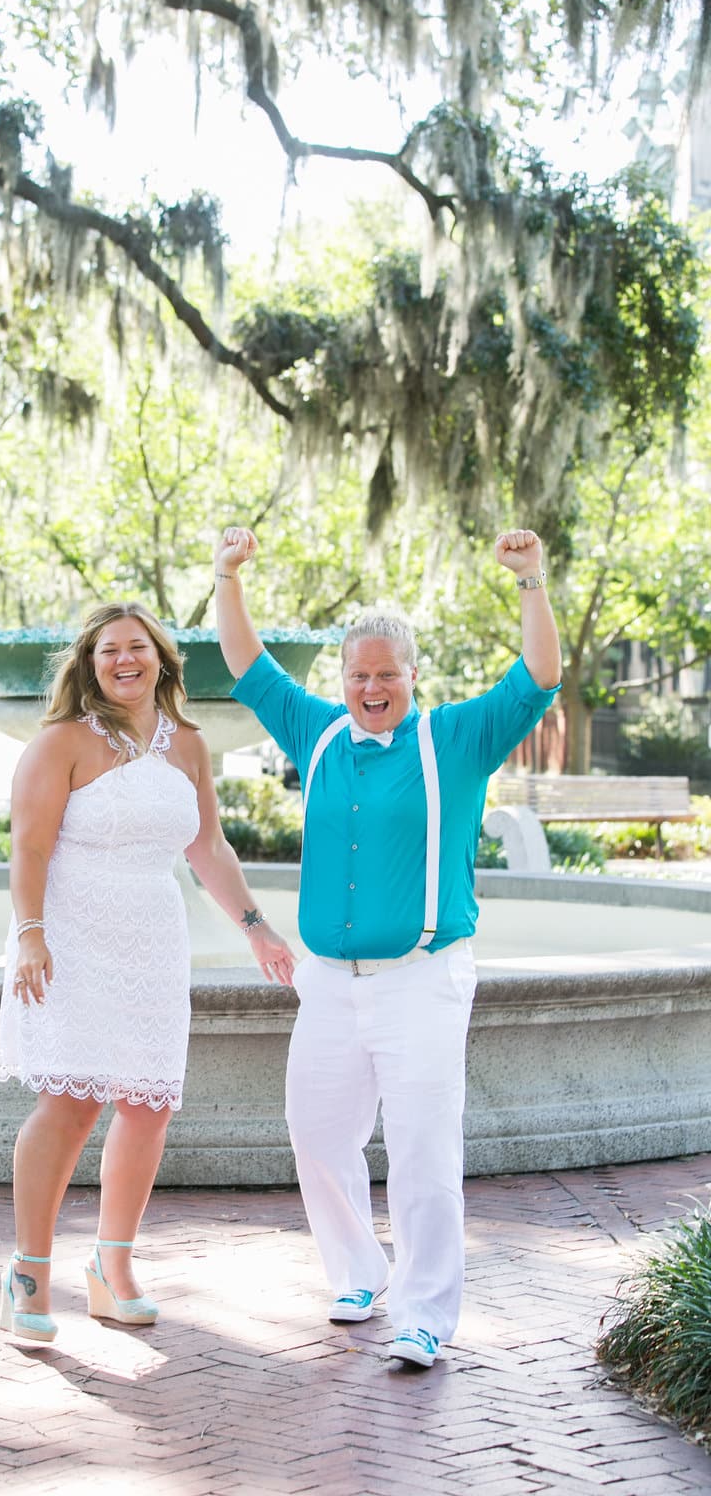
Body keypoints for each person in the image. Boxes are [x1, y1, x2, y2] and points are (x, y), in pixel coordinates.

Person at [214, 526, 561, 1368]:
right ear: (342, 681)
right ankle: (359, 1273)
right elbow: (247, 667)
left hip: (424, 979)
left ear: (412, 676)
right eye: (357, 674)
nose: (372, 687)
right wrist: (226, 576)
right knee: (315, 1130)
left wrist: (532, 583)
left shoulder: (456, 740)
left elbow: (540, 678)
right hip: (329, 982)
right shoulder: (320, 735)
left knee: (422, 1145)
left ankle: (426, 1314)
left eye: (386, 674)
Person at [0, 600, 295, 1344]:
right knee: (69, 1105)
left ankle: (112, 1268)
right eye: (108, 651)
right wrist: (30, 935)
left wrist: (255, 927)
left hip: (153, 939)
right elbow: (28, 849)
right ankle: (28, 1274)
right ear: (89, 665)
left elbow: (208, 848)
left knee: (147, 1105)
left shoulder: (187, 744)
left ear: (161, 657)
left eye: (137, 647)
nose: (124, 660)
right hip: (68, 934)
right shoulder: (60, 742)